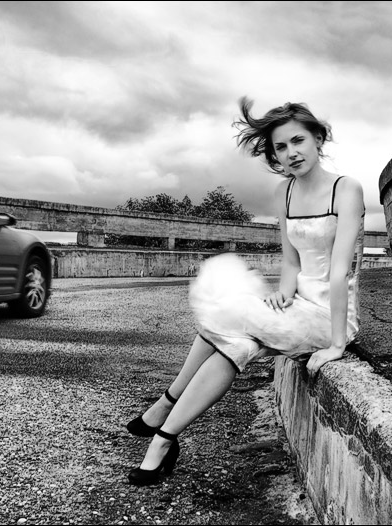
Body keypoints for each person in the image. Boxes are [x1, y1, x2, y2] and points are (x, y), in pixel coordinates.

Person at [126, 96, 365, 486]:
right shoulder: (285, 193)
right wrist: (284, 293)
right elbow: (292, 261)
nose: (291, 153)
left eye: (298, 141)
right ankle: (164, 439)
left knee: (226, 310)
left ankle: (165, 406)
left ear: (318, 139)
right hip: (298, 307)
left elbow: (339, 272)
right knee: (237, 343)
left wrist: (337, 344)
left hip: (330, 318)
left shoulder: (346, 189)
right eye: (281, 147)